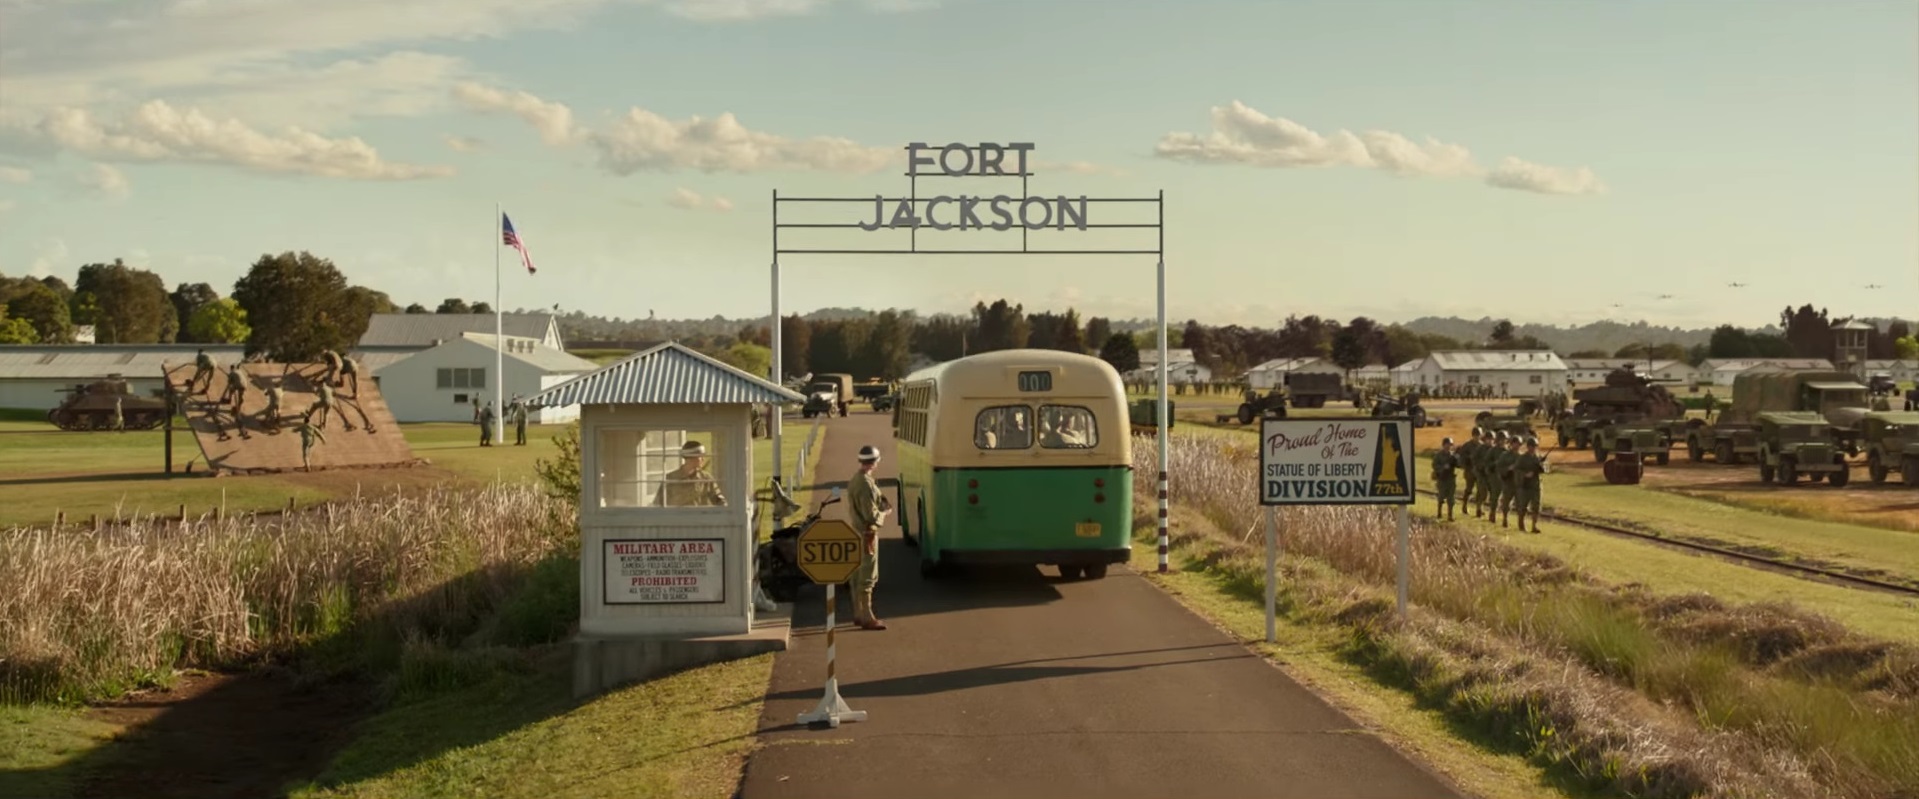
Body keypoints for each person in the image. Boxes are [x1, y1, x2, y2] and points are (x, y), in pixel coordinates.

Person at [847, 444, 892, 630]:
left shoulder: (856, 480)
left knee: (856, 574)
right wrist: (885, 513)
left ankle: (858, 612)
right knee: (867, 575)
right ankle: (867, 616)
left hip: (856, 532)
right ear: (875, 462)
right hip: (867, 534)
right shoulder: (866, 484)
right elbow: (871, 515)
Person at [656, 441, 725, 506]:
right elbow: (659, 504)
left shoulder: (706, 478)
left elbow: (719, 500)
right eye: (700, 456)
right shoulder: (670, 479)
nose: (703, 459)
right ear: (691, 458)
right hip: (677, 515)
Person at [1514, 437, 1550, 533]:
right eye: (1531, 446)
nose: (1533, 448)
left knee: (1536, 506)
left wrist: (1542, 466)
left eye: (1534, 446)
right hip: (1525, 486)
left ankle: (1534, 526)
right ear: (1528, 447)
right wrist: (1525, 474)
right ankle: (1521, 525)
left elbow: (1547, 469)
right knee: (1523, 507)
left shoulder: (1538, 457)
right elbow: (1516, 470)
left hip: (1536, 485)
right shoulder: (1522, 458)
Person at [1495, 433, 1523, 528]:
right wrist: (1508, 469)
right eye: (1515, 443)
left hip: (1519, 483)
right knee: (1506, 503)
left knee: (1521, 504)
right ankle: (1505, 519)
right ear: (1511, 444)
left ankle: (1520, 522)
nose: (1516, 445)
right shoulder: (1505, 455)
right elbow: (1499, 468)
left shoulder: (1522, 456)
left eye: (1518, 444)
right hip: (1508, 482)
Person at [1430, 437, 1458, 521]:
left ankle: (1450, 515)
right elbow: (1434, 465)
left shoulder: (1452, 456)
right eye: (1447, 444)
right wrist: (1443, 468)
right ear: (1443, 445)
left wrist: (1457, 459)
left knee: (1451, 497)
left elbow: (1458, 464)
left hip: (1450, 478)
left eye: (1450, 445)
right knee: (1441, 496)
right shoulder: (1438, 455)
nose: (1449, 446)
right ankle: (1439, 513)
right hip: (1442, 478)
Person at [1458, 427, 1483, 512]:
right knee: (1469, 489)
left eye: (1478, 435)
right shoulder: (1467, 445)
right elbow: (1461, 457)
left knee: (1480, 490)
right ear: (1472, 435)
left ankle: (1479, 508)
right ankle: (1464, 505)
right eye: (1475, 435)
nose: (1477, 437)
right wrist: (1467, 462)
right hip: (1470, 471)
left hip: (1479, 472)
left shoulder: (1482, 446)